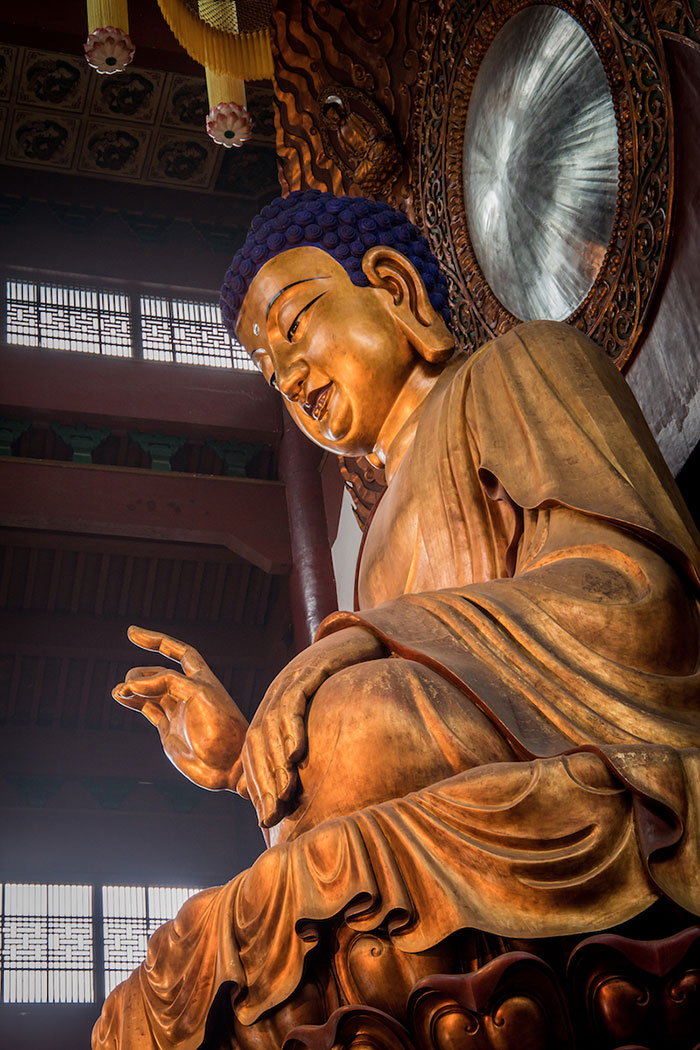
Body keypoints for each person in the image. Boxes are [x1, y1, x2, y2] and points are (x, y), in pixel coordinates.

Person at [93, 191, 700, 1050]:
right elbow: (367, 787)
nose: (291, 378)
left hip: (593, 766)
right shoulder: (375, 539)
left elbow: (641, 609)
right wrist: (248, 763)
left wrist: (352, 651)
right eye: (271, 373)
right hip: (460, 796)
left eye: (297, 325)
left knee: (352, 726)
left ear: (392, 287)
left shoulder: (523, 366)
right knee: (163, 983)